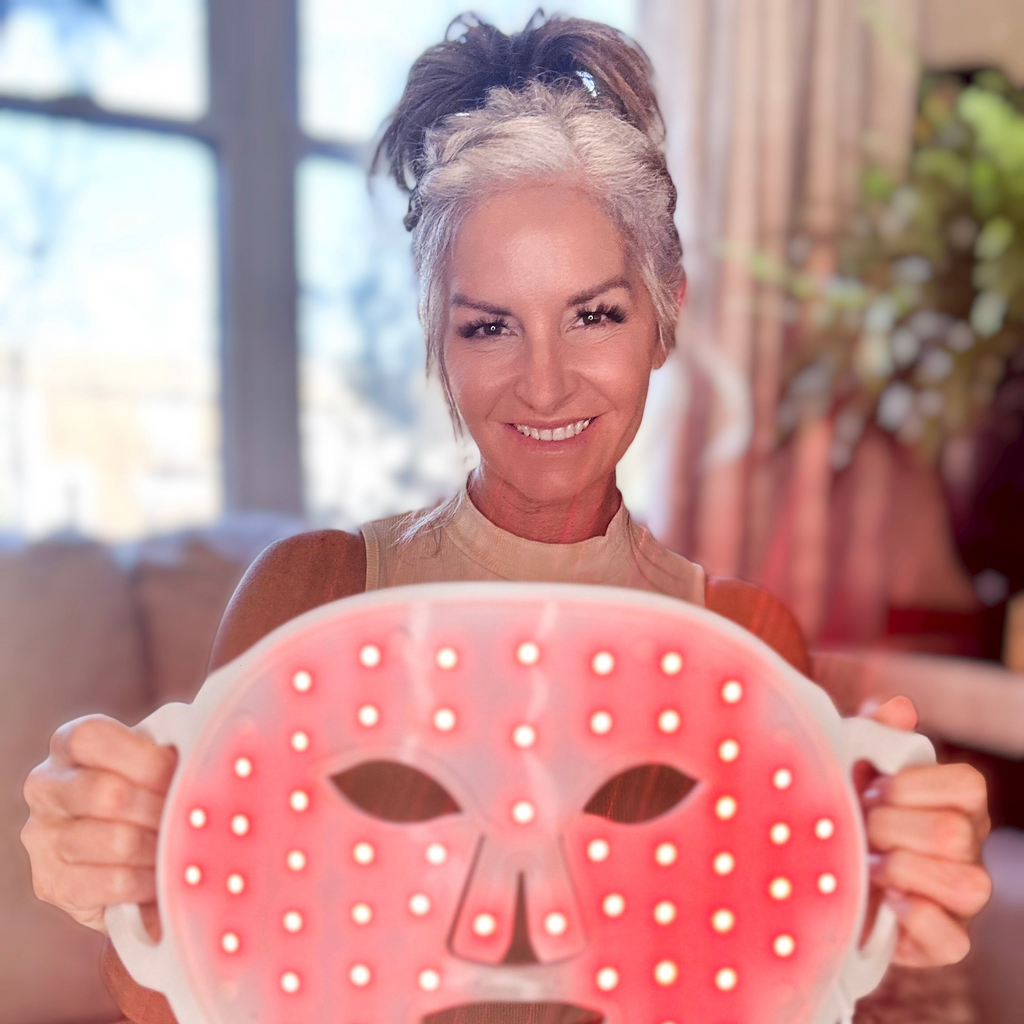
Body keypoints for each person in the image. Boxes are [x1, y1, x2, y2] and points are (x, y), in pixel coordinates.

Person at [21, 14, 991, 1024]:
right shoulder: (315, 595)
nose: (542, 382)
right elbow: (176, 1000)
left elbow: (766, 986)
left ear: (665, 313)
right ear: (437, 340)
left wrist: (880, 896)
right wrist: (125, 869)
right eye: (488, 326)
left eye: (594, 314)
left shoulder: (742, 641)